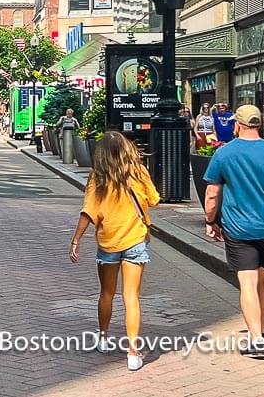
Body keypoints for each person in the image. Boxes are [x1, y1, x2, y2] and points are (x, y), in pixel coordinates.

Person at [202, 105, 264, 360]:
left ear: (238, 125)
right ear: (259, 124)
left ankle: (256, 339)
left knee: (247, 282)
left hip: (239, 228)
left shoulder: (224, 154)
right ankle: (263, 329)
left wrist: (210, 220)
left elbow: (212, 194)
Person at [70, 130, 160, 372]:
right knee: (132, 297)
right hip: (135, 240)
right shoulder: (138, 172)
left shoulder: (96, 178)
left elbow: (88, 213)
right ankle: (133, 353)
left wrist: (76, 240)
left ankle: (103, 337)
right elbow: (154, 199)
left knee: (107, 293)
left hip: (108, 243)